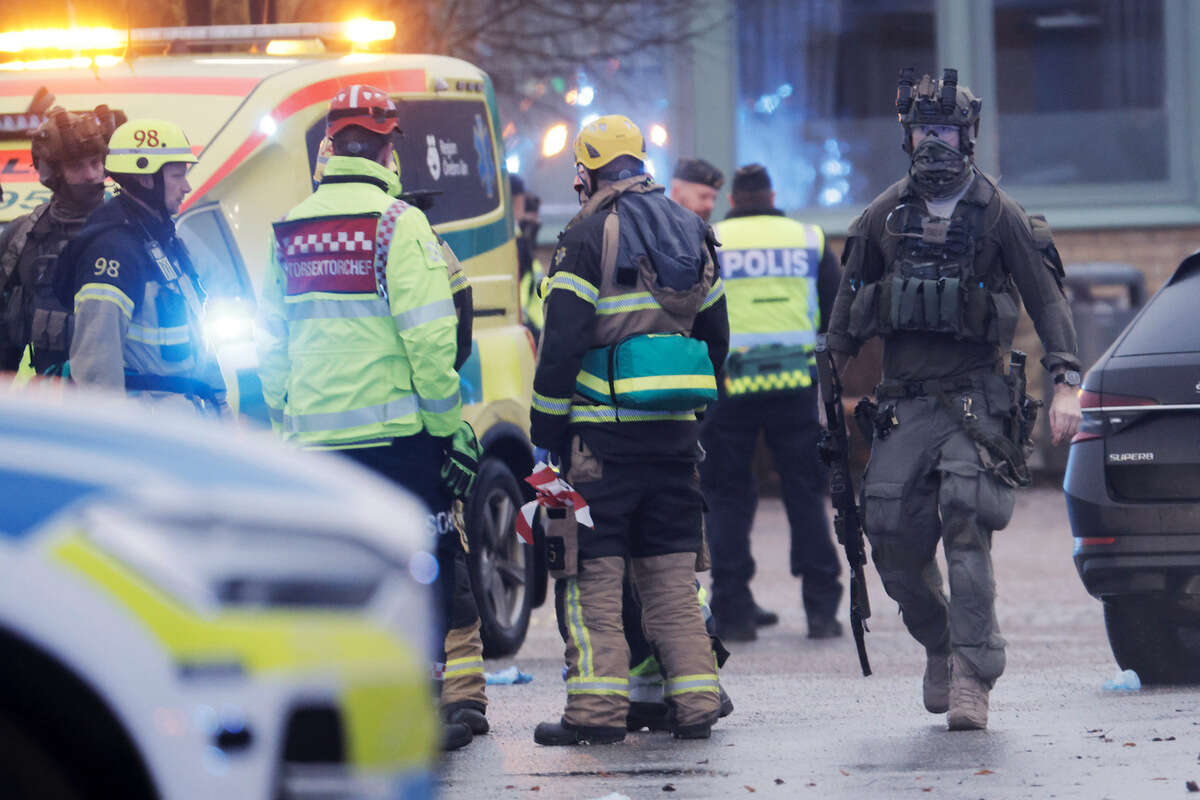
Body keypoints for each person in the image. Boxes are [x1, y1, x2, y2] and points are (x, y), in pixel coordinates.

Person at [826, 68, 1081, 730]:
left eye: (944, 132)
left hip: (975, 399)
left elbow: (1047, 300)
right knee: (889, 540)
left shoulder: (1000, 215)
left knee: (966, 524)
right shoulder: (884, 216)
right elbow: (847, 316)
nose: (932, 145)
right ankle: (940, 645)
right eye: (921, 133)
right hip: (905, 401)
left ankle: (973, 672)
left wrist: (1066, 383)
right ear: (905, 139)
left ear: (967, 137)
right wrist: (823, 386)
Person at [255, 85, 485, 751]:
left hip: (316, 445)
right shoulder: (398, 224)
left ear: (329, 147)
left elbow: (271, 345)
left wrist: (285, 421)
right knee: (423, 570)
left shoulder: (291, 229)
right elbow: (428, 341)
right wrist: (450, 431)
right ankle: (417, 711)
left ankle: (341, 714)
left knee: (335, 580)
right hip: (399, 443)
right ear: (387, 149)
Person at [530, 114, 729, 745]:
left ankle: (594, 714)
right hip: (673, 441)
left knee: (592, 583)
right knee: (672, 580)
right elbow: (716, 338)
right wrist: (689, 415)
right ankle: (696, 705)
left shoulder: (587, 235)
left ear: (586, 172)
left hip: (598, 447)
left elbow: (561, 343)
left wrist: (546, 429)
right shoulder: (693, 229)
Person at [702, 163, 844, 642]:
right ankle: (821, 609)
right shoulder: (807, 238)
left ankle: (734, 611)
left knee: (727, 496)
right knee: (804, 493)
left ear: (734, 199)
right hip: (794, 381)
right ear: (772, 195)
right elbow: (835, 309)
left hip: (728, 385)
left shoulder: (712, 237)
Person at [57, 117, 222, 412]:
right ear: (146, 178)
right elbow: (95, 371)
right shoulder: (112, 253)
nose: (186, 186)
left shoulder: (164, 242)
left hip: (188, 423)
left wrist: (221, 410)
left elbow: (198, 340)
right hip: (149, 434)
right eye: (176, 175)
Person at [0, 105, 122, 375]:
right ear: (54, 173)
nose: (92, 175)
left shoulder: (131, 229)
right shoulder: (22, 238)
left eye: (95, 162)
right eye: (77, 166)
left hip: (124, 399)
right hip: (54, 402)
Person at [669, 157, 724, 223]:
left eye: (714, 199)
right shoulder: (656, 229)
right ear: (676, 191)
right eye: (703, 196)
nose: (710, 206)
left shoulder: (708, 231)